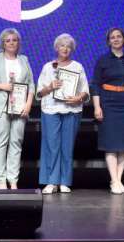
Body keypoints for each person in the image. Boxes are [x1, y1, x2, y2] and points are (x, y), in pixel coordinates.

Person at [90, 27, 124, 195]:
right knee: (111, 145)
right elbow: (96, 85)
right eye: (112, 37)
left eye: (119, 36)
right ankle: (114, 181)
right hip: (108, 104)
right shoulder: (103, 60)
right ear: (108, 41)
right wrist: (97, 106)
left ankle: (119, 180)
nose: (116, 39)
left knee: (123, 145)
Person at [37, 34, 89, 194]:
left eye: (68, 46)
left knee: (67, 146)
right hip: (51, 110)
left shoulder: (78, 67)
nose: (65, 49)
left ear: (72, 49)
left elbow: (85, 91)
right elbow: (39, 93)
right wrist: (50, 87)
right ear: (56, 48)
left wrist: (78, 98)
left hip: (71, 110)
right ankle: (51, 181)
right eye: (62, 45)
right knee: (51, 146)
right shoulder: (48, 67)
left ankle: (65, 181)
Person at [0, 28, 33, 189]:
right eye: (8, 40)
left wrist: (28, 104)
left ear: (19, 43)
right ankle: (1, 180)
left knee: (16, 142)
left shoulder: (24, 59)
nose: (11, 43)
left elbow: (31, 84)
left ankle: (13, 179)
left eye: (14, 40)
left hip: (20, 107)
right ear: (3, 43)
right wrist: (3, 86)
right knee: (0, 142)